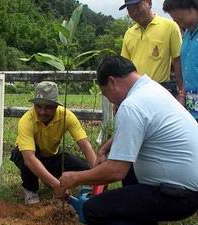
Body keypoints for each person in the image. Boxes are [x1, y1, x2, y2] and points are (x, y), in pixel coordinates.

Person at [59, 56, 198, 225]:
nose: (110, 100)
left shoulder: (131, 106)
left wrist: (75, 178)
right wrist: (105, 148)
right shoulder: (151, 88)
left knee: (93, 209)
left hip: (179, 196)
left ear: (112, 82)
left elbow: (116, 171)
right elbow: (142, 127)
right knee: (130, 174)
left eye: (106, 94)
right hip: (188, 187)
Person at [10, 81, 96, 204]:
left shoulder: (66, 116)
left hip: (52, 155)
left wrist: (97, 173)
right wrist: (56, 185)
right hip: (29, 155)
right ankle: (31, 189)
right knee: (24, 159)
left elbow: (85, 146)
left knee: (84, 167)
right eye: (38, 106)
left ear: (56, 106)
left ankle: (50, 177)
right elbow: (29, 159)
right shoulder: (26, 121)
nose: (42, 112)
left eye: (48, 107)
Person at [120, 0, 186, 104]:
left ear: (149, 3)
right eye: (130, 9)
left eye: (138, 6)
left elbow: (178, 61)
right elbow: (124, 68)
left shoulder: (170, 27)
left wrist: (182, 93)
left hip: (161, 90)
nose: (134, 12)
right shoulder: (129, 34)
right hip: (135, 93)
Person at [163, 0, 198, 122]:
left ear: (190, 7)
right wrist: (182, 95)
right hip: (191, 104)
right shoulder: (188, 33)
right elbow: (187, 68)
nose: (176, 21)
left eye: (178, 16)